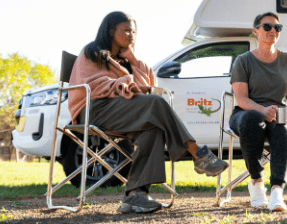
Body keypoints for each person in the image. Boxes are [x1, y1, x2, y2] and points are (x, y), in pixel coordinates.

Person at [68, 11, 228, 214]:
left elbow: (145, 88)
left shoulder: (126, 60)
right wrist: (122, 83)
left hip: (122, 112)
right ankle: (198, 153)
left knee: (152, 129)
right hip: (94, 110)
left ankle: (135, 195)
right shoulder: (91, 53)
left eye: (133, 31)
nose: (131, 35)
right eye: (126, 30)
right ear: (110, 31)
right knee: (156, 104)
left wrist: (133, 61)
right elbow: (91, 86)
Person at [230, 12, 287, 212]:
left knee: (282, 127)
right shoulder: (243, 61)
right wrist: (262, 110)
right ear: (256, 31)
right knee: (252, 119)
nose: (273, 31)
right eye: (267, 27)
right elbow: (241, 99)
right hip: (246, 112)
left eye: (277, 28)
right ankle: (256, 182)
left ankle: (277, 191)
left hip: (280, 114)